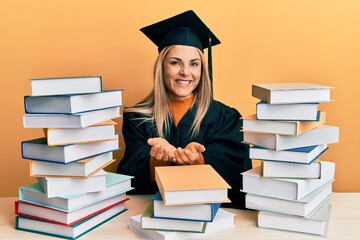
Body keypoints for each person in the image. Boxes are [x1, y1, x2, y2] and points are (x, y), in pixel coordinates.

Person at [117, 10, 252, 209]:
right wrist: (157, 162)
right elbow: (128, 179)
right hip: (154, 216)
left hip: (213, 220)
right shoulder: (136, 117)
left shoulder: (226, 117)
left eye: (194, 64)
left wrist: (200, 161)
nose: (185, 72)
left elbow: (238, 174)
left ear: (202, 70)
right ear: (161, 67)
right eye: (175, 62)